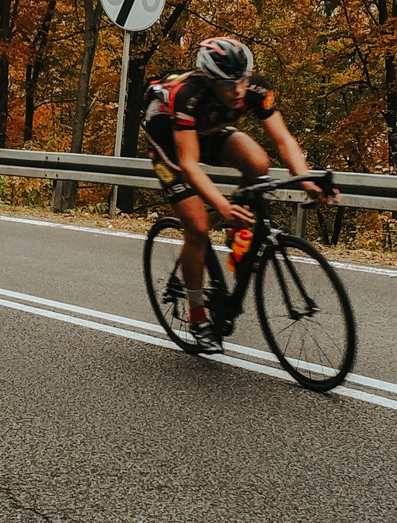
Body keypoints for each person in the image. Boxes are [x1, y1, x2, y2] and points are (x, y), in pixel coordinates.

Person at [141, 35, 335, 352]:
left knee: (258, 162)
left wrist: (305, 179)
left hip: (208, 130)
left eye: (242, 80)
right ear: (209, 79)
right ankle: (198, 315)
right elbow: (189, 164)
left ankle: (236, 232)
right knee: (198, 226)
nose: (239, 89)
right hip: (168, 143)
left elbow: (283, 140)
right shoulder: (189, 94)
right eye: (228, 84)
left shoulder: (255, 87)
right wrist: (221, 204)